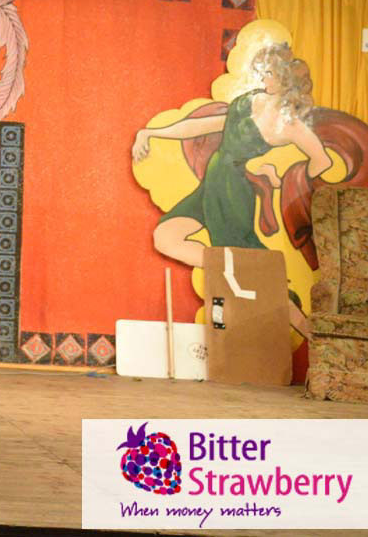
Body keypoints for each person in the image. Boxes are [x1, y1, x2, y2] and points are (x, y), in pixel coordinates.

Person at [131, 42, 332, 338]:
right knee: (166, 237)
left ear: (284, 80)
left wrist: (296, 183)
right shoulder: (250, 100)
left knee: (252, 265)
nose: (264, 78)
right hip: (213, 181)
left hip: (233, 192)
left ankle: (308, 332)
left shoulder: (292, 127)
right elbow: (202, 126)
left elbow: (322, 161)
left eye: (270, 73)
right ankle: (231, 270)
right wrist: (151, 133)